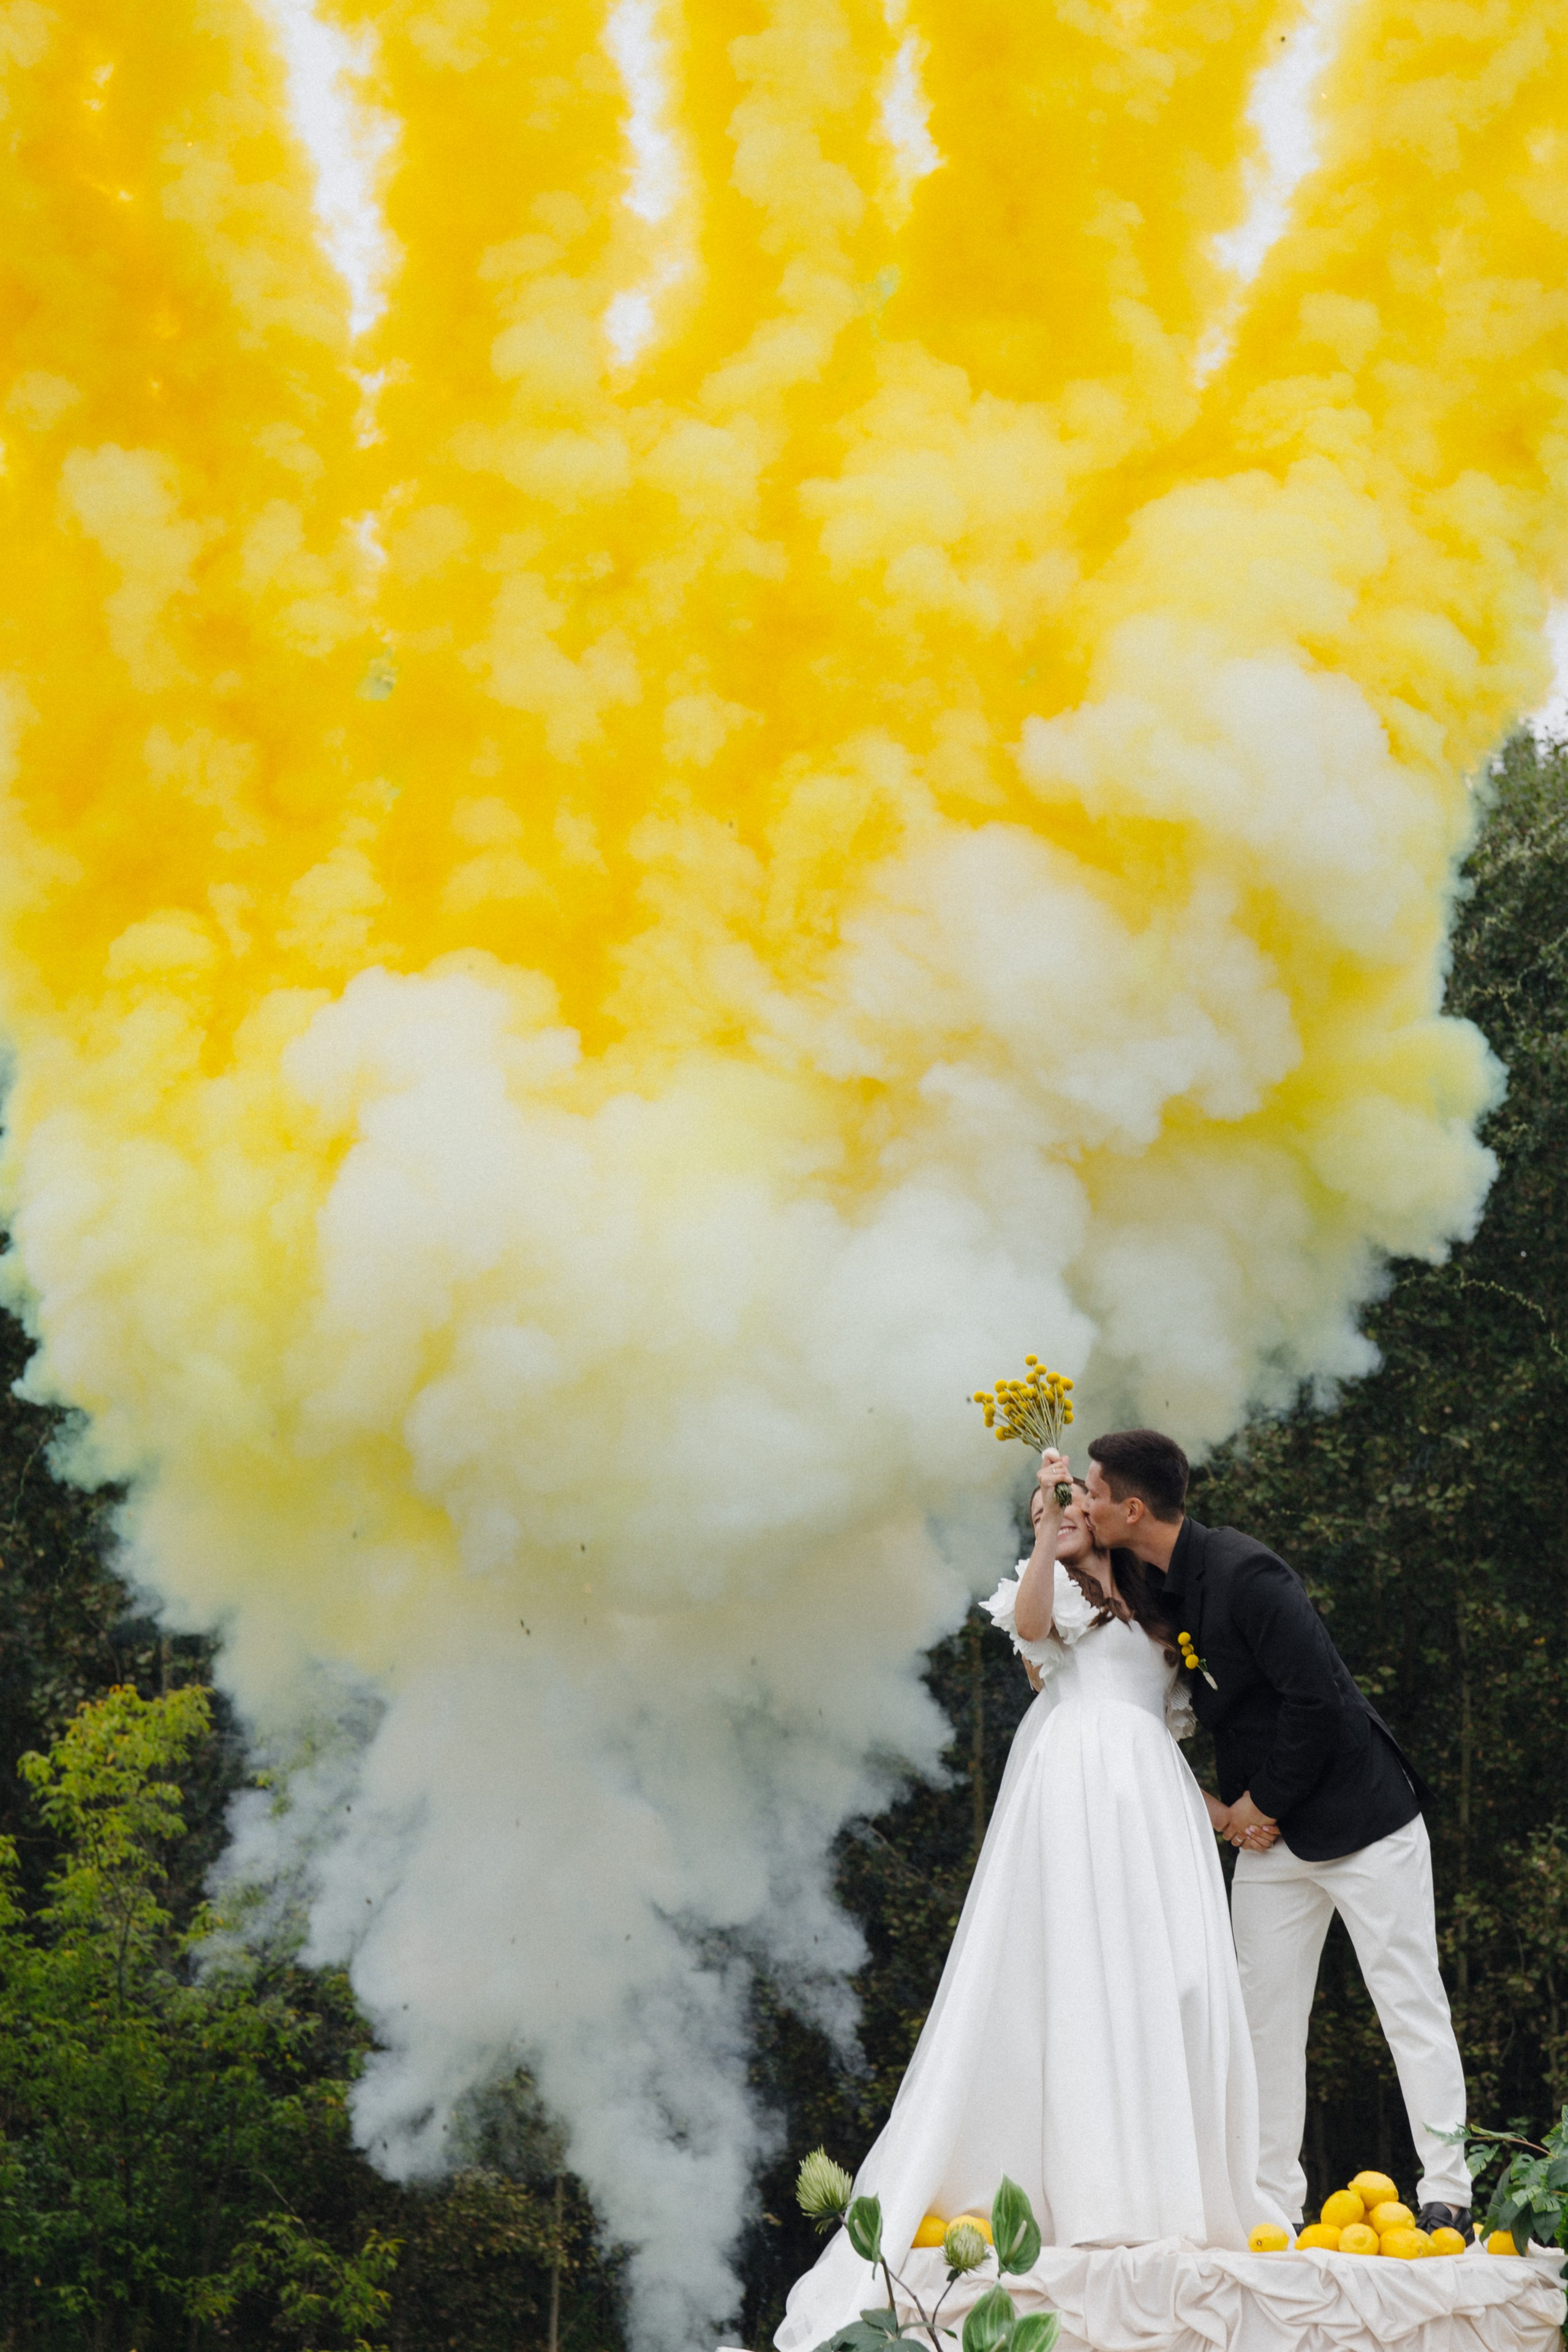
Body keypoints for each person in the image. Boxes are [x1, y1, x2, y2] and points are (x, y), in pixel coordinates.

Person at [774, 1458, 1287, 2352]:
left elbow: (1157, 1736)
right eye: (1052, 1507)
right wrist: (1046, 1540)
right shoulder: (1046, 1588)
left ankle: (1170, 2187)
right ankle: (1088, 2193)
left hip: (1151, 1804)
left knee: (1171, 1981)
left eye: (1078, 1500)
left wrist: (1229, 1818)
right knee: (1078, 1972)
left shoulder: (1156, 1604)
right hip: (1075, 1788)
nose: (1069, 1512)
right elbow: (1032, 1628)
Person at [1082, 1427, 1472, 2237]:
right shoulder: (1153, 1582)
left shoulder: (1246, 1573)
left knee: (1409, 2003)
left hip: (1365, 1822)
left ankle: (1449, 2193)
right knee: (1262, 2022)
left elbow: (1317, 1702)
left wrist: (1254, 1806)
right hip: (1272, 1843)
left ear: (1133, 1508)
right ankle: (1271, 2207)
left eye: (1092, 1490)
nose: (1085, 1502)